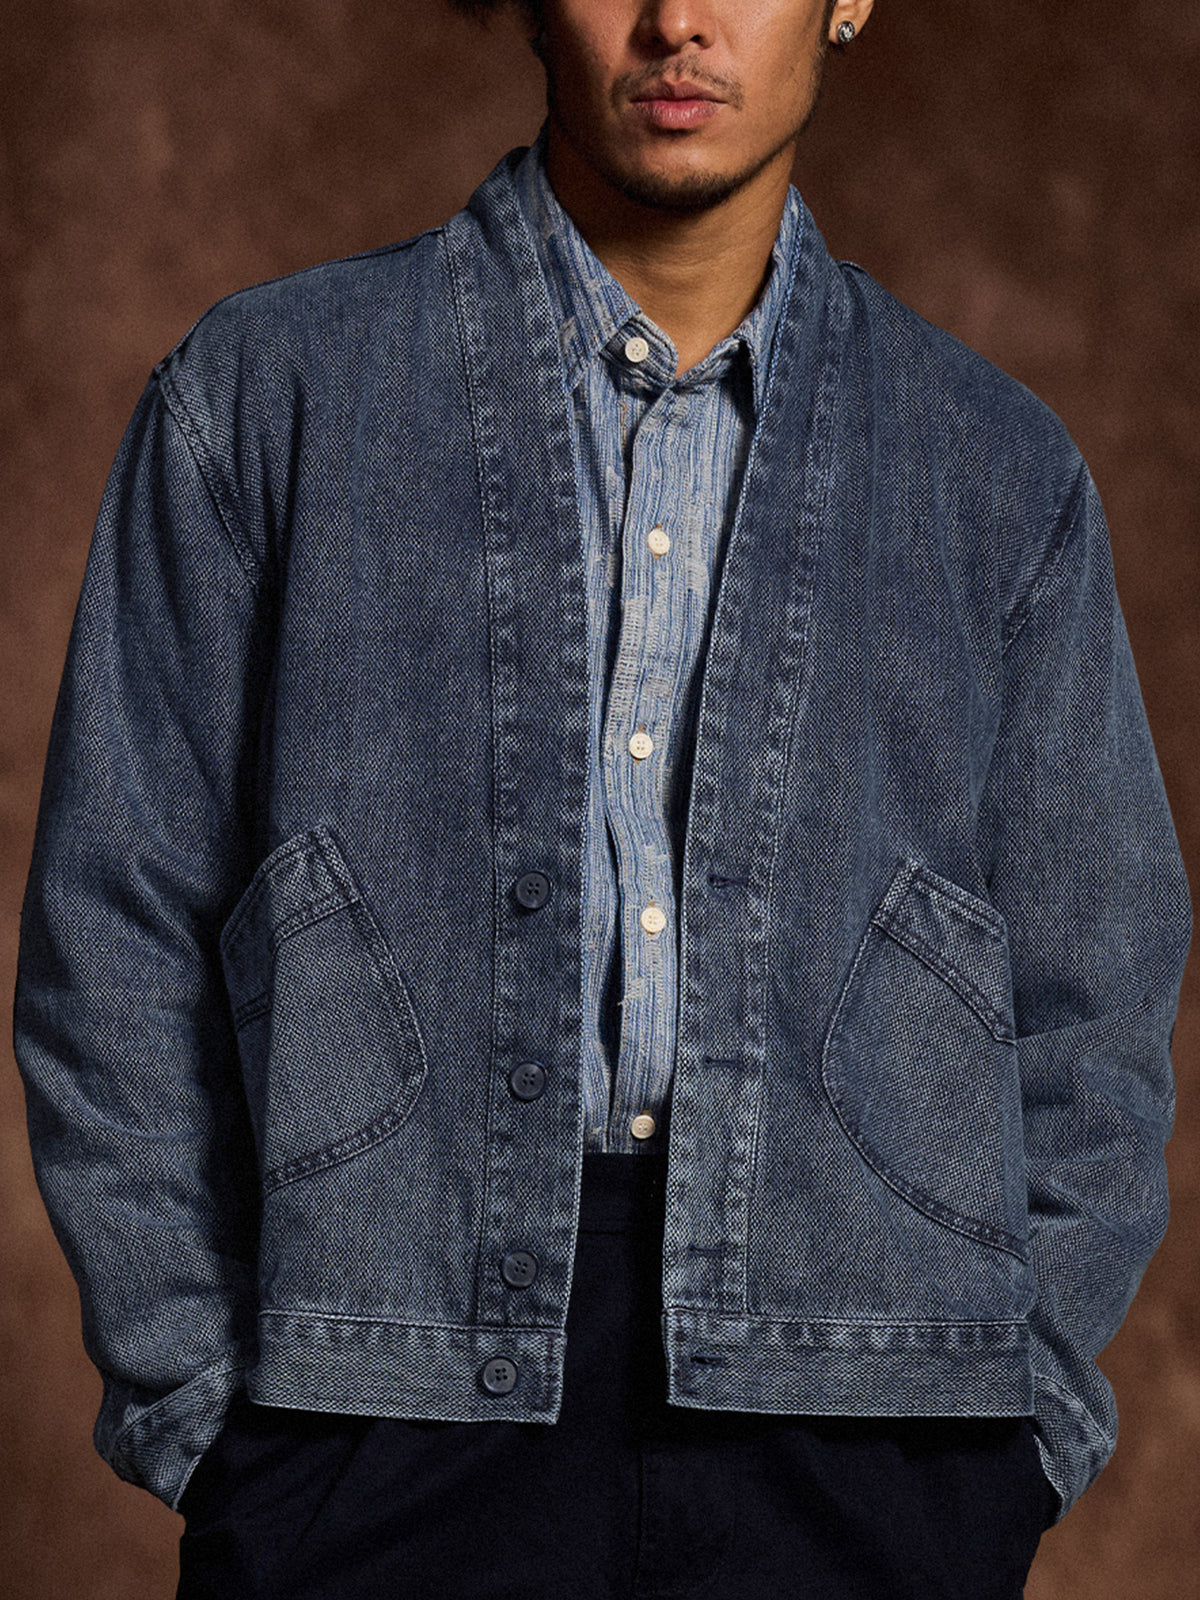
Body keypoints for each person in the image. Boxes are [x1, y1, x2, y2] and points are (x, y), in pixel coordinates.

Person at [13, 2, 1191, 1596]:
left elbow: (1094, 995)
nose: (676, 21)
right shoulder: (270, 396)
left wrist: (1013, 1440)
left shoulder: (995, 470)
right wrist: (213, 1414)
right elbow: (115, 930)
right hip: (368, 1414)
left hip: (873, 1426)